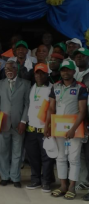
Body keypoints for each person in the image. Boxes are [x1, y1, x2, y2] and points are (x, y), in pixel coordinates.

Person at [44, 60, 87, 200]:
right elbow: (51, 108)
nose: (65, 72)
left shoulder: (81, 87)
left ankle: (71, 188)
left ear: (73, 72)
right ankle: (62, 186)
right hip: (58, 128)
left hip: (75, 129)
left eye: (68, 70)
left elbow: (82, 111)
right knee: (60, 157)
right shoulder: (55, 86)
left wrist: (73, 129)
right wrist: (47, 126)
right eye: (63, 70)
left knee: (74, 159)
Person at [0, 60, 30, 188]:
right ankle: (4, 177)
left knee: (17, 152)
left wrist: (23, 121)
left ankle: (15, 177)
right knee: (2, 152)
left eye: (12, 68)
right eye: (6, 68)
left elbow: (27, 104)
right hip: (3, 123)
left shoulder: (26, 84)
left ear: (17, 69)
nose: (9, 70)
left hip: (19, 123)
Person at [25, 63, 55, 193]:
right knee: (33, 157)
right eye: (37, 73)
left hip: (45, 129)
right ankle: (35, 179)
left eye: (43, 73)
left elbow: (53, 109)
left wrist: (49, 126)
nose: (39, 75)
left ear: (47, 74)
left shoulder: (52, 88)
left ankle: (46, 181)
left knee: (47, 157)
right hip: (31, 129)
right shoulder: (32, 87)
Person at [73, 48, 89, 201]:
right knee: (81, 154)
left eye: (83, 55)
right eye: (77, 56)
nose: (79, 58)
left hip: (87, 119)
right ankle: (84, 181)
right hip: (76, 121)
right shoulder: (75, 74)